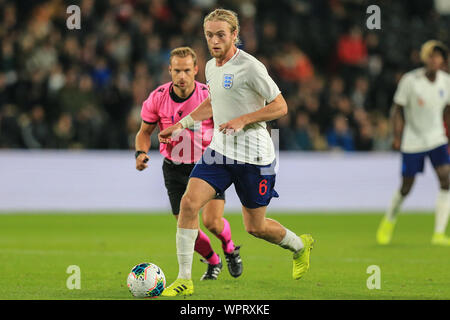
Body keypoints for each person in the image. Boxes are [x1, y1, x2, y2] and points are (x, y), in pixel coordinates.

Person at [158, 9, 314, 297]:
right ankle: (184, 279)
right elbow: (213, 103)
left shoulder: (251, 67)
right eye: (209, 35)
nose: (214, 40)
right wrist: (181, 124)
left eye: (220, 34)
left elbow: (281, 106)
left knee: (256, 227)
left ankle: (300, 246)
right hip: (220, 151)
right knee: (189, 204)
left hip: (254, 158)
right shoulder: (211, 67)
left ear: (234, 36)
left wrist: (245, 118)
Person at [135, 46, 243, 281]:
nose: (181, 76)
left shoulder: (208, 96)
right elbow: (144, 132)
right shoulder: (158, 97)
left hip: (209, 164)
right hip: (174, 168)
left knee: (212, 222)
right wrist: (140, 153)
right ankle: (213, 261)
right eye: (177, 71)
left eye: (186, 70)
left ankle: (229, 247)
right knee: (187, 228)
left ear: (196, 70)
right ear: (170, 71)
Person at [376, 40, 450, 246]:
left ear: (443, 61)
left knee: (446, 179)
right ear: (426, 58)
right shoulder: (410, 80)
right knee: (406, 187)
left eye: (440, 56)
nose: (436, 59)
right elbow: (397, 109)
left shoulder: (446, 81)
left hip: (437, 138)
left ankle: (438, 233)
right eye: (432, 55)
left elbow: (447, 110)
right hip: (413, 140)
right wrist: (397, 136)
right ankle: (389, 220)